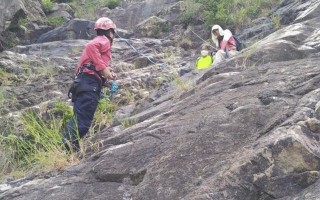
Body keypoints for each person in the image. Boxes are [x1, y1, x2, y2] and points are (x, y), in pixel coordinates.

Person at [63, 17, 117, 152]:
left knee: (79, 118)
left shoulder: (98, 42)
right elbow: (90, 46)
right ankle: (67, 148)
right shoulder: (104, 40)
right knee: (83, 122)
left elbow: (89, 64)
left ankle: (70, 151)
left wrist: (105, 70)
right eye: (113, 33)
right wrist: (103, 68)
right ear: (110, 32)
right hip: (88, 84)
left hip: (84, 83)